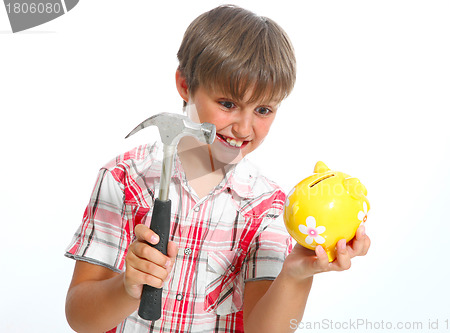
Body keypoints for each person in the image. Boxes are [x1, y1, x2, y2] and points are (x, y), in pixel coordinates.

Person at [65, 5, 370, 333]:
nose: (243, 128)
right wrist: (128, 287)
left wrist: (294, 274)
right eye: (228, 104)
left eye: (263, 109)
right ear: (184, 84)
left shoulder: (269, 208)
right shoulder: (124, 180)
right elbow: (81, 318)